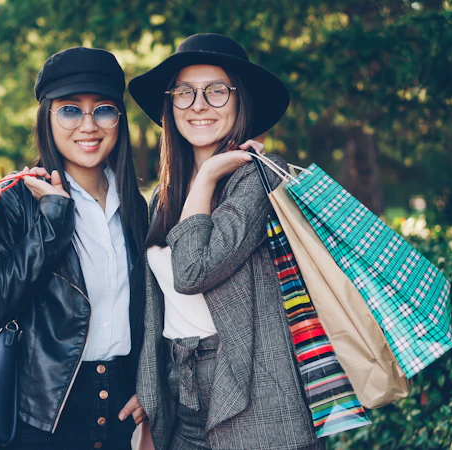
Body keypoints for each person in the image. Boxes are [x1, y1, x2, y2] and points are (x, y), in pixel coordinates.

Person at [128, 33, 324, 449]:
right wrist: (150, 395)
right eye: (184, 91)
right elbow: (157, 312)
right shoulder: (163, 196)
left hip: (256, 398)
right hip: (181, 393)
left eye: (216, 91)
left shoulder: (257, 178)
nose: (198, 104)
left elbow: (192, 271)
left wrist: (209, 174)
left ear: (240, 101)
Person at [0, 47, 149, 450]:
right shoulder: (18, 199)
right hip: (40, 415)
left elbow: (150, 307)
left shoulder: (136, 206)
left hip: (119, 408)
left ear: (119, 119)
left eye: (103, 109)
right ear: (47, 118)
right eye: (70, 109)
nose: (88, 125)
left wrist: (147, 384)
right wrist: (52, 221)